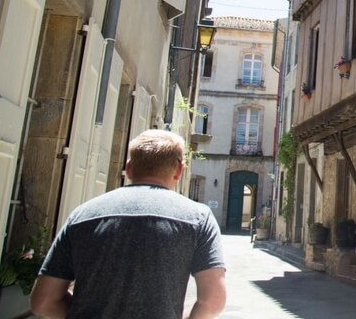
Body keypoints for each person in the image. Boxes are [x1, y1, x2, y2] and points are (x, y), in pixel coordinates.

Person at [30, 129, 226, 319]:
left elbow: (43, 302)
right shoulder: (197, 218)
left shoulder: (84, 214)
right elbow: (213, 301)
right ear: (179, 170)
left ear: (129, 168)